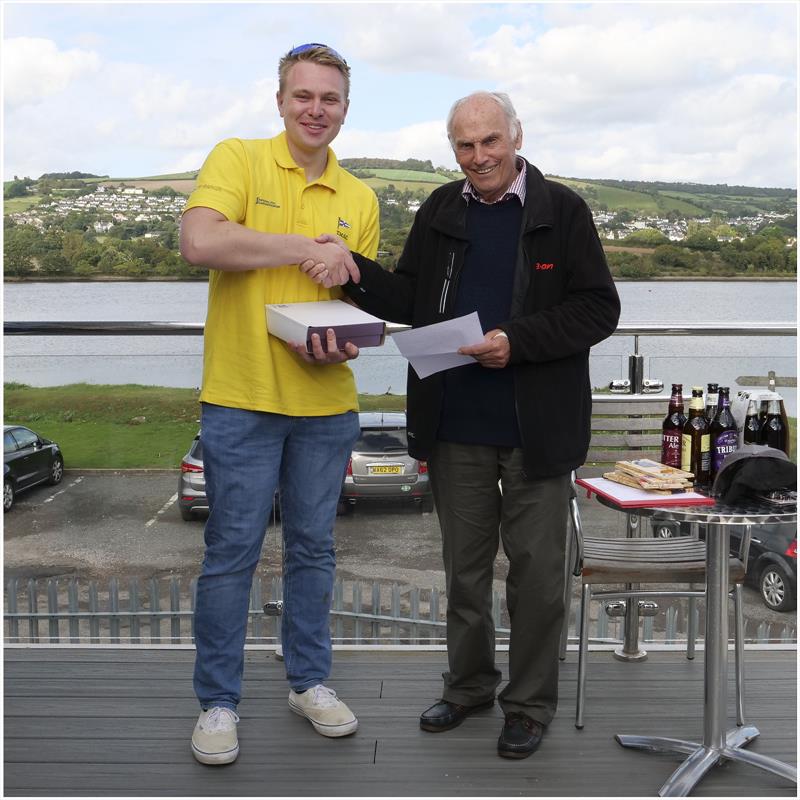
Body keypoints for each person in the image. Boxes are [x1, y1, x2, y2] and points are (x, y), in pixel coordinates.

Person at [305, 91, 620, 759]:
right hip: (456, 424)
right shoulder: (441, 208)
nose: (478, 157)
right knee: (465, 576)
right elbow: (410, 298)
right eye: (464, 146)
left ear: (516, 137)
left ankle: (529, 705)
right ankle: (470, 685)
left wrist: (517, 341)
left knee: (537, 581)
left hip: (540, 430)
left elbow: (598, 309)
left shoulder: (562, 210)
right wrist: (350, 269)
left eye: (489, 142)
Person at [179, 43, 379, 765]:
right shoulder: (238, 159)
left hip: (326, 401)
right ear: (281, 101)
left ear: (345, 110)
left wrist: (344, 343)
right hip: (241, 397)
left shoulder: (360, 198)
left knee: (314, 551)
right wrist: (301, 247)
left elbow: (351, 302)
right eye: (304, 96)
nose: (315, 109)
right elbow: (200, 241)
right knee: (230, 552)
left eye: (329, 99)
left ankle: (309, 682)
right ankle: (218, 702)